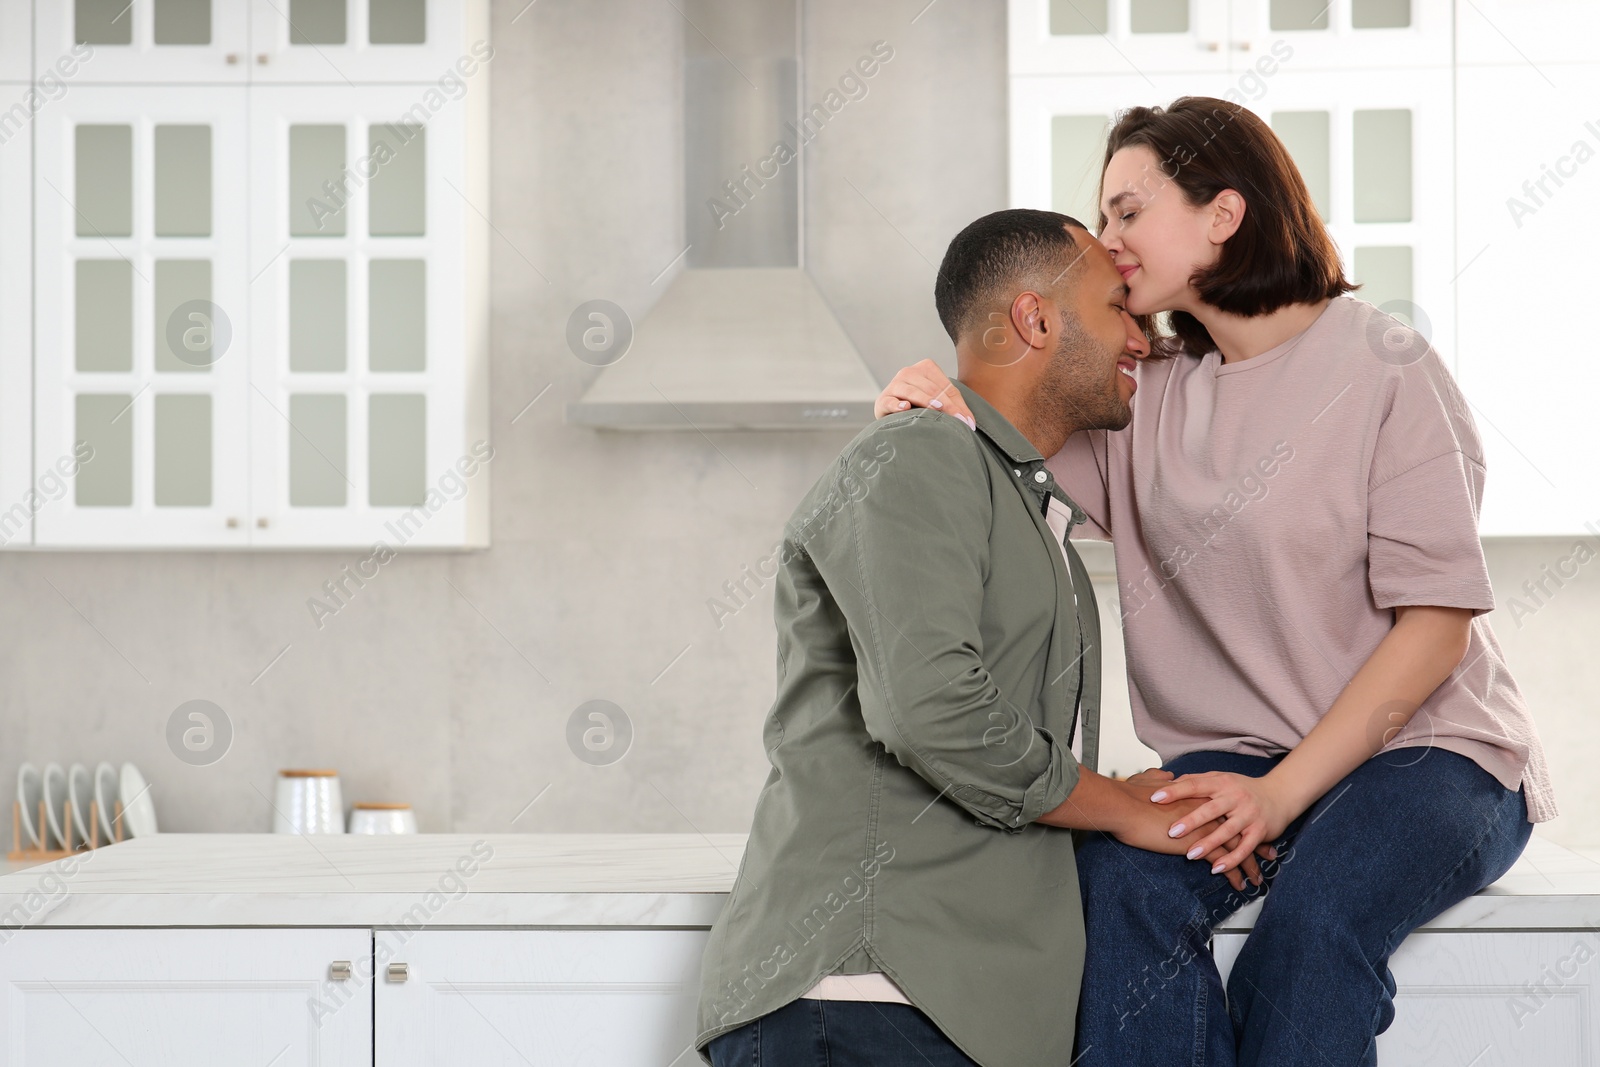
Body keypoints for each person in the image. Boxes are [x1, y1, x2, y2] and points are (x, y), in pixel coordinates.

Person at [872, 96, 1557, 1066]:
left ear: (1222, 214)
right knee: (1115, 889)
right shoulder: (1140, 389)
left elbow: (1435, 629)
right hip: (1237, 753)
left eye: (1125, 211)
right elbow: (998, 460)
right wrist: (933, 407)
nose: (1104, 241)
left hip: (1428, 752)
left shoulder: (1381, 364)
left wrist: (1278, 799)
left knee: (1315, 922)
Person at [693, 209, 1278, 1067]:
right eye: (1119, 306)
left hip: (945, 1010)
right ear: (1035, 319)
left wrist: (1131, 797)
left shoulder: (1017, 504)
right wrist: (1120, 810)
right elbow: (934, 709)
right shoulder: (917, 458)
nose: (1142, 340)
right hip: (867, 993)